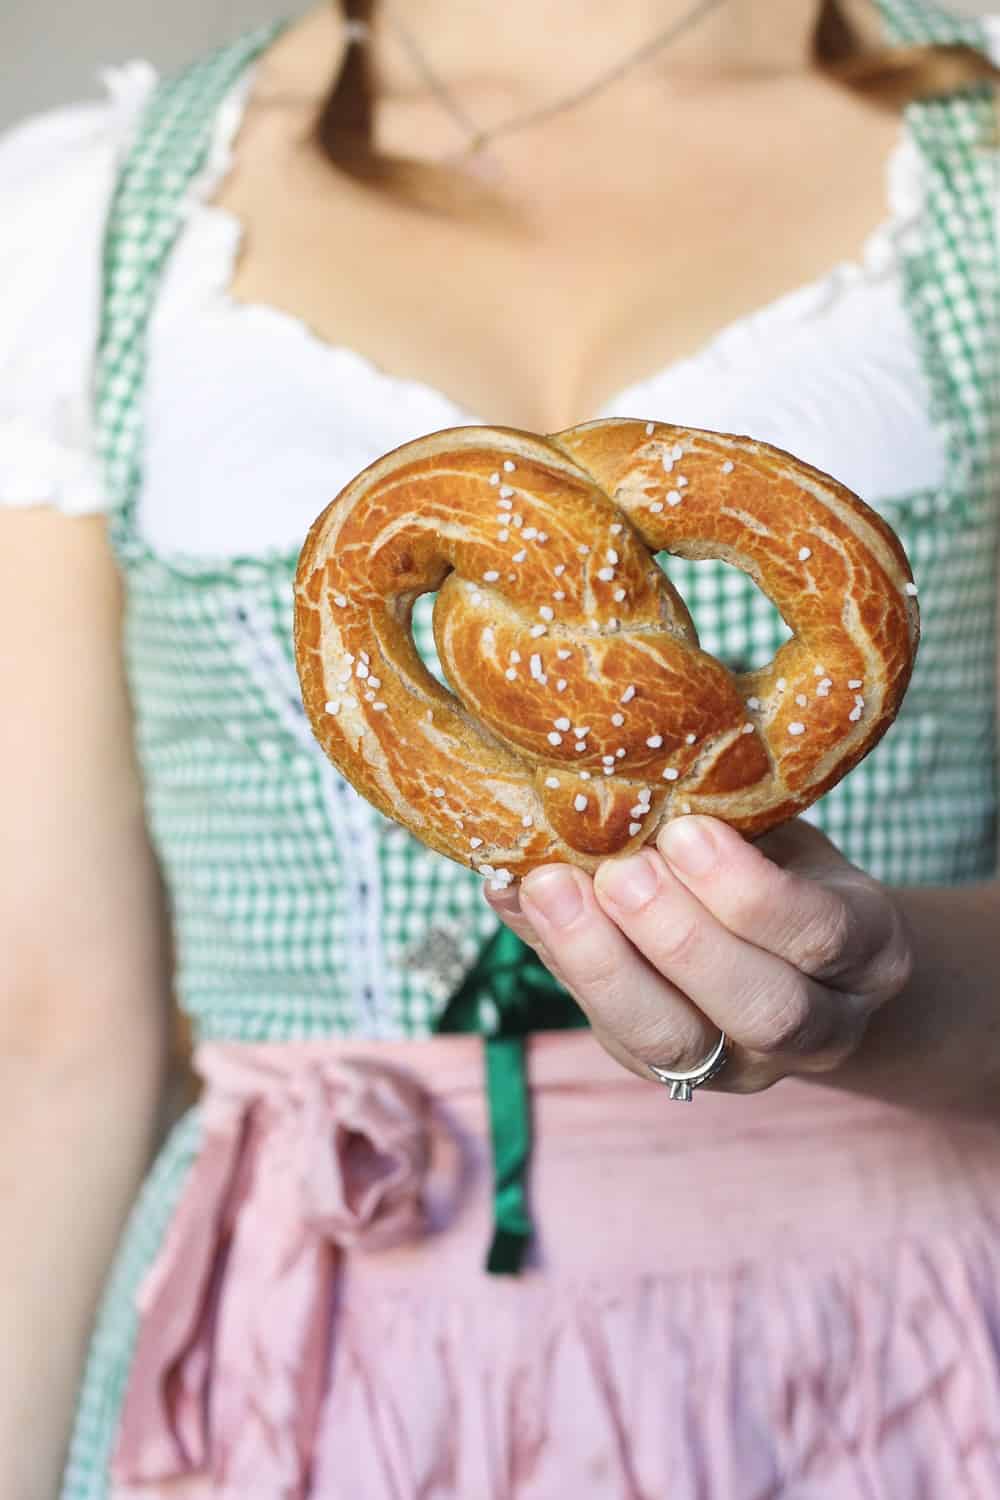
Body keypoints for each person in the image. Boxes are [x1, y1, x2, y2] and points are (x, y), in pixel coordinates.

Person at [2, 0, 999, 1495]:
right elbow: (50, 1040)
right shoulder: (86, 218)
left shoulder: (978, 138)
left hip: (903, 1358)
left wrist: (888, 996)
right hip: (301, 1360)